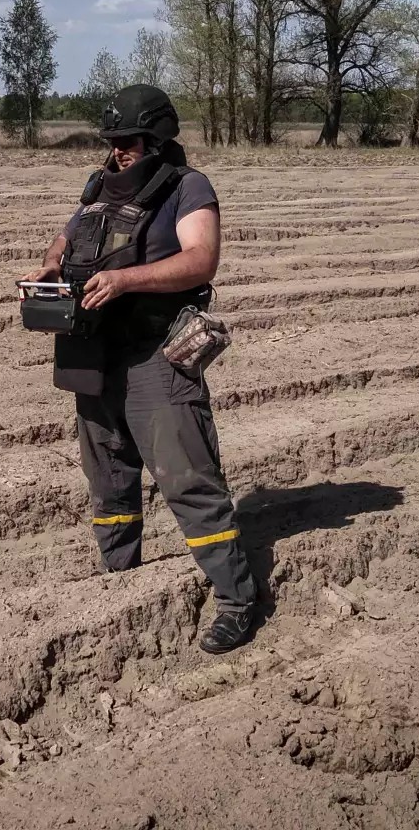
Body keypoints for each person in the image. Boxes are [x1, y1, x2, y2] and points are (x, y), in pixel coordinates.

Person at [21, 84, 259, 654]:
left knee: (187, 478)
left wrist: (125, 280)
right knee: (107, 477)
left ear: (156, 137)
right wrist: (51, 266)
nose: (117, 149)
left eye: (127, 140)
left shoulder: (187, 186)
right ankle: (119, 579)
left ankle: (237, 600)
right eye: (112, 140)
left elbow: (202, 259)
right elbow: (66, 236)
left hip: (156, 354)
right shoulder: (99, 186)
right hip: (92, 353)